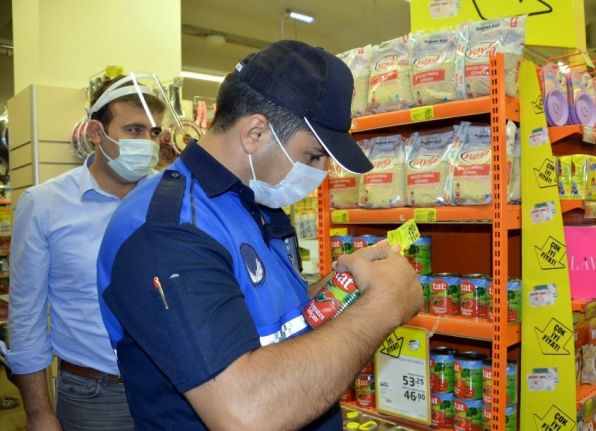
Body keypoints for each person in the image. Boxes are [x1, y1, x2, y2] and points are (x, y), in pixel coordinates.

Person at [96, 40, 422, 430]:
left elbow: (267, 321)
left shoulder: (254, 203)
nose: (321, 173)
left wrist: (341, 287)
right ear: (255, 133)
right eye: (313, 156)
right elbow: (245, 414)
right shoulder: (169, 231)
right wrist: (383, 305)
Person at [8, 73, 165, 431]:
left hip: (174, 387)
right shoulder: (45, 205)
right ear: (96, 132)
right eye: (134, 130)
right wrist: (38, 413)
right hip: (94, 396)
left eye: (154, 133)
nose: (147, 143)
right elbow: (26, 316)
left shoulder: (170, 196)